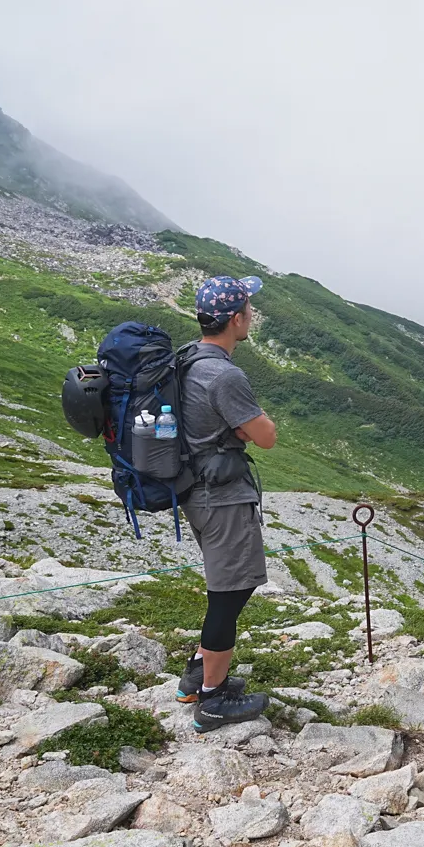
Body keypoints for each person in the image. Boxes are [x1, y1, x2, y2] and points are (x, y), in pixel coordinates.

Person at [174, 275, 277, 732]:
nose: (252, 317)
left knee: (229, 587)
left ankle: (198, 673)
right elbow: (267, 436)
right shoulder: (225, 373)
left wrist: (232, 430)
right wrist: (242, 429)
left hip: (197, 490)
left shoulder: (187, 360)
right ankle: (212, 700)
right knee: (229, 592)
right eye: (249, 311)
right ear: (236, 319)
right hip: (221, 498)